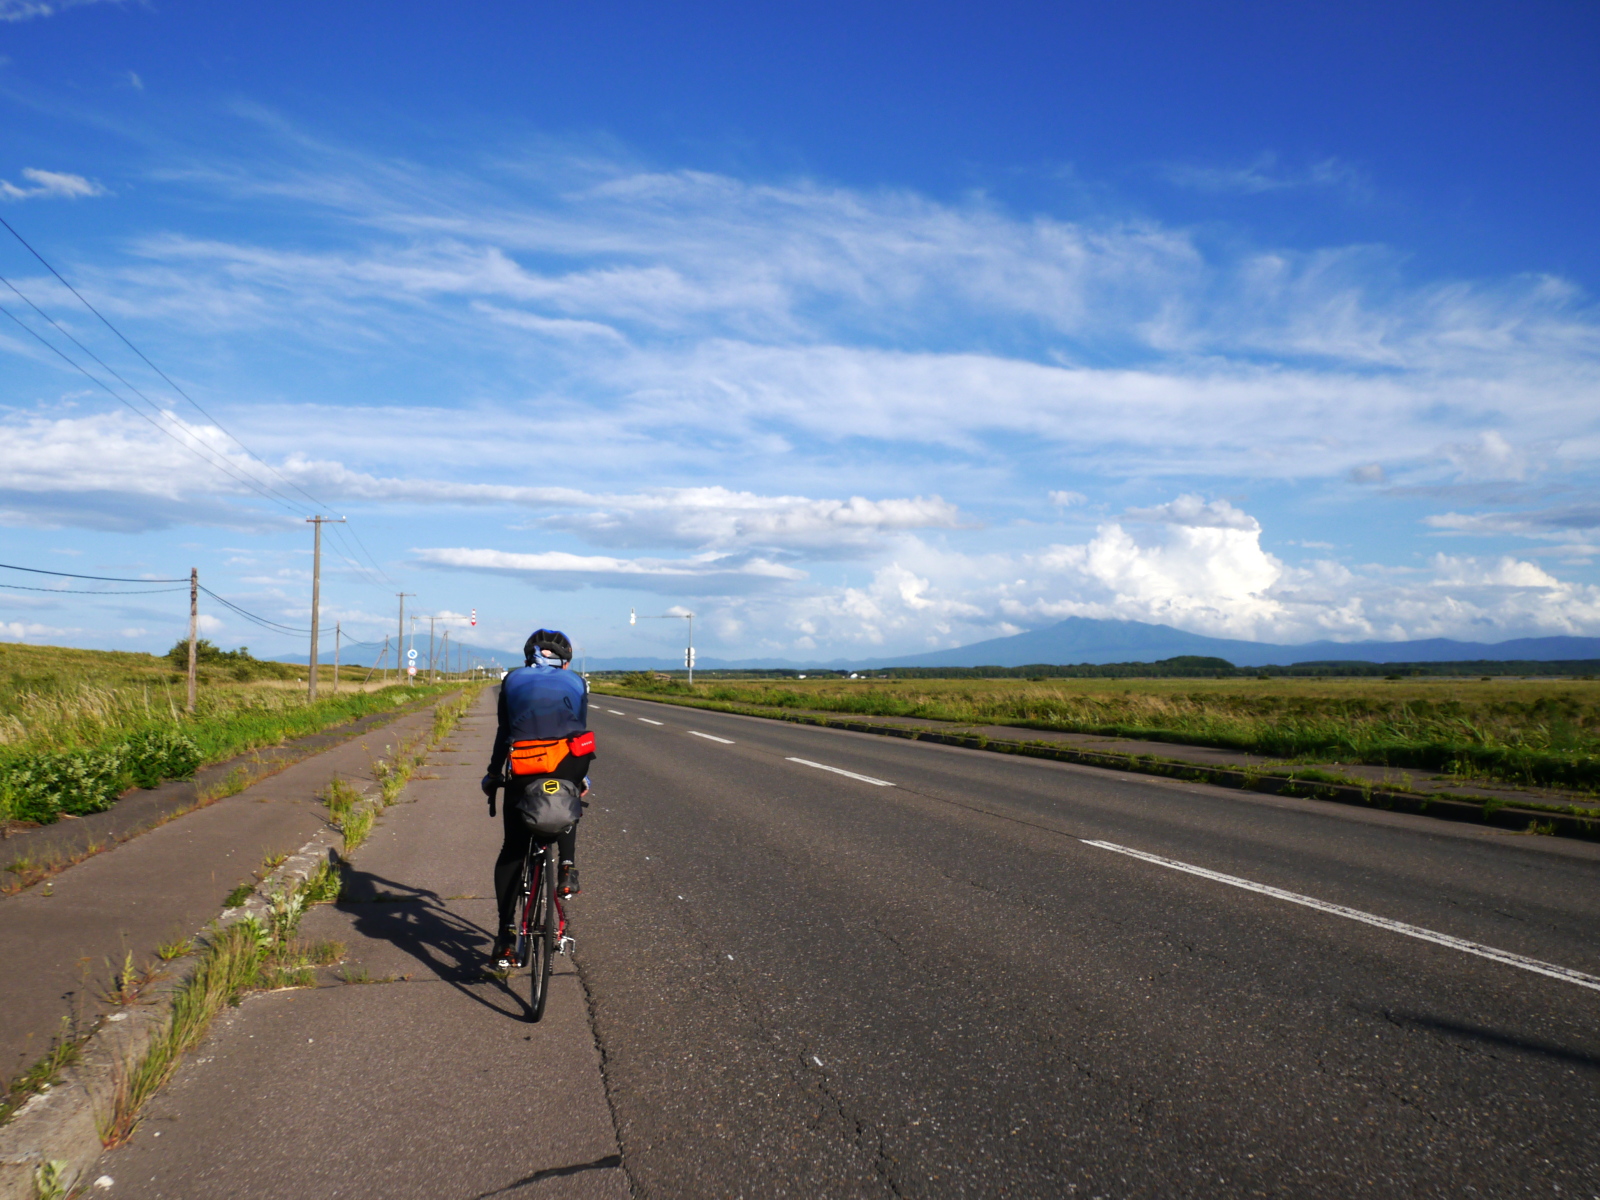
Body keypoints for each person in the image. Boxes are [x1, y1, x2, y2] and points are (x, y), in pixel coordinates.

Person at [482, 628, 594, 968]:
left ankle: (506, 935)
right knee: (568, 795)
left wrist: (493, 774)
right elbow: (578, 729)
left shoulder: (512, 680)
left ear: (527, 657)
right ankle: (567, 867)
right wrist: (581, 776)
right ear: (565, 662)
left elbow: (505, 732)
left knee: (513, 848)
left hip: (526, 761)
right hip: (569, 759)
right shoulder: (578, 682)